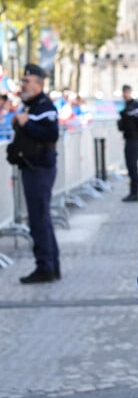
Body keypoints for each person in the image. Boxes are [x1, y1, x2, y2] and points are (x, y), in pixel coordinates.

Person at [8, 64, 61, 283]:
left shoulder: (43, 106)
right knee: (42, 219)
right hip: (33, 168)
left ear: (38, 84)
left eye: (26, 82)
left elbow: (51, 134)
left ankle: (45, 267)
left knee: (39, 220)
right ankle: (51, 265)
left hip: (39, 169)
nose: (22, 86)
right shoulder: (30, 106)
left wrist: (26, 123)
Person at [117, 84, 138, 202]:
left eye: (127, 92)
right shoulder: (127, 107)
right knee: (130, 166)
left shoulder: (134, 106)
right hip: (129, 138)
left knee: (132, 165)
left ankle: (134, 193)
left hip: (134, 139)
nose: (125, 94)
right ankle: (133, 192)